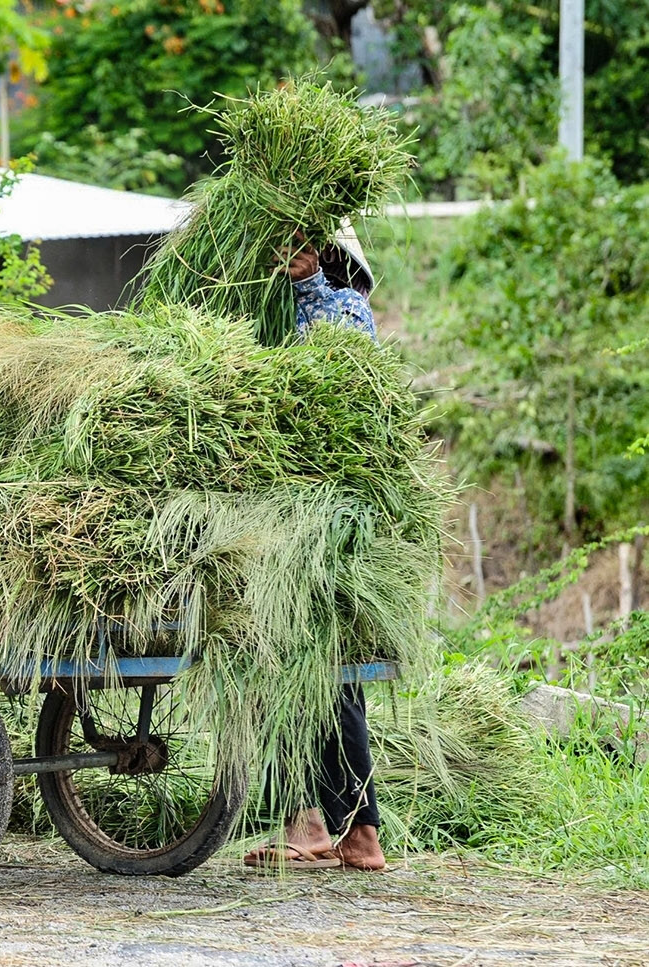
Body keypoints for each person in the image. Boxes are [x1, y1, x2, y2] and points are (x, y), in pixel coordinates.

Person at [242, 225, 387, 873]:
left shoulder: (344, 309)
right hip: (293, 518)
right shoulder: (279, 313)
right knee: (305, 674)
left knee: (311, 673)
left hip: (323, 523)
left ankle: (335, 827)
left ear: (331, 258)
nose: (291, 261)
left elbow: (330, 389)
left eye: (306, 252)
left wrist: (308, 286)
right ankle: (334, 828)